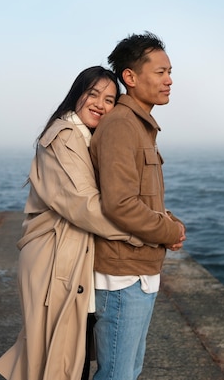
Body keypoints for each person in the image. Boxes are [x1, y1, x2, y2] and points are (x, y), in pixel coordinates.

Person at [0, 66, 145, 380]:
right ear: (77, 95)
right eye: (93, 95)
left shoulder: (86, 137)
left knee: (66, 354)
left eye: (109, 100)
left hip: (71, 256)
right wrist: (142, 233)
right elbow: (86, 207)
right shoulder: (64, 136)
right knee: (57, 358)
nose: (101, 105)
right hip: (53, 259)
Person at [89, 32, 187, 380]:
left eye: (170, 71)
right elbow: (120, 204)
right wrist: (170, 231)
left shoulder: (139, 125)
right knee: (117, 375)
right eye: (160, 72)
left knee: (127, 372)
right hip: (122, 276)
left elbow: (141, 196)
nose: (169, 80)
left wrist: (169, 223)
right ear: (130, 77)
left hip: (138, 271)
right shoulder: (121, 124)